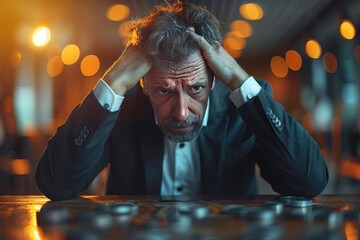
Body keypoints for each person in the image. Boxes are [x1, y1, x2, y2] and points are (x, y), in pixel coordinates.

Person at [35, 1, 328, 201]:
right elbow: (56, 184)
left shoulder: (245, 107)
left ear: (214, 79)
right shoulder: (120, 108)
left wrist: (239, 79)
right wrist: (113, 82)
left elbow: (309, 182)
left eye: (196, 88)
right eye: (163, 90)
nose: (181, 111)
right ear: (143, 83)